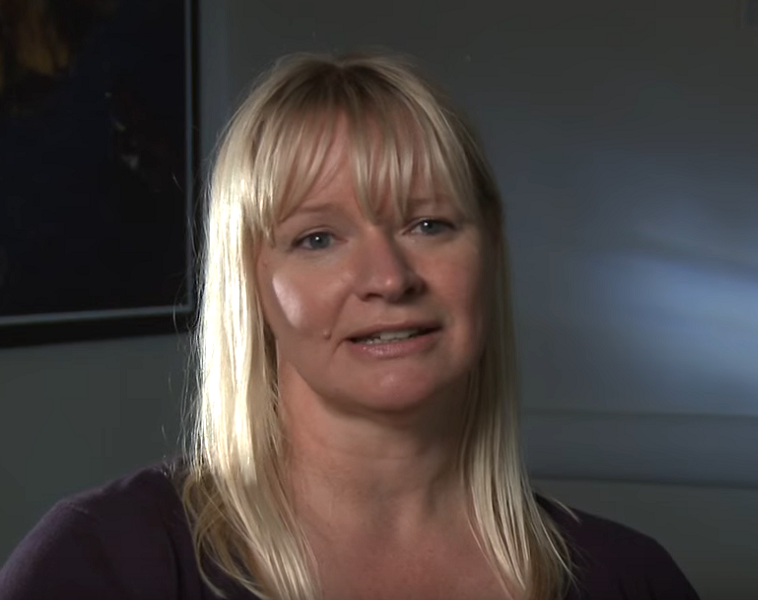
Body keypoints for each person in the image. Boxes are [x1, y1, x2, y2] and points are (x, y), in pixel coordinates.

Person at [0, 51, 701, 600]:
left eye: (429, 224)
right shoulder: (106, 562)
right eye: (318, 239)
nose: (390, 279)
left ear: (491, 249)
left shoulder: (629, 577)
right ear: (251, 282)